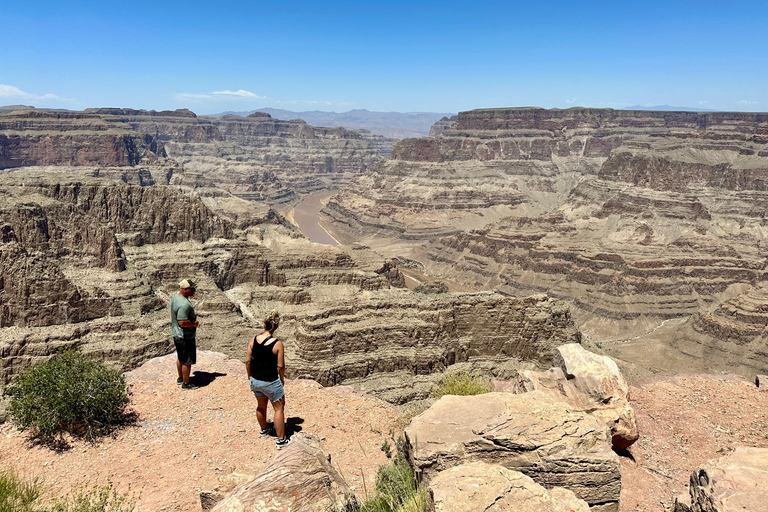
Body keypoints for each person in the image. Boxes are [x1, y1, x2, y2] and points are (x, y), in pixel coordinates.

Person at [246, 311, 290, 449]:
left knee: (261, 406)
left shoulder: (253, 339)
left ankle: (264, 430)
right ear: (275, 327)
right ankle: (281, 441)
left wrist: (249, 376)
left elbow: (247, 361)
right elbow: (281, 366)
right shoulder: (278, 344)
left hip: (256, 381)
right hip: (270, 381)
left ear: (264, 325)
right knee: (278, 409)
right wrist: (281, 379)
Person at [171, 279, 199, 390]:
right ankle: (186, 383)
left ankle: (180, 378)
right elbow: (182, 322)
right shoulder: (184, 304)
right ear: (185, 289)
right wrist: (194, 323)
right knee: (187, 361)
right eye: (192, 289)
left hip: (177, 334)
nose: (194, 291)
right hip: (185, 336)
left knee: (180, 357)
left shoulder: (175, 297)